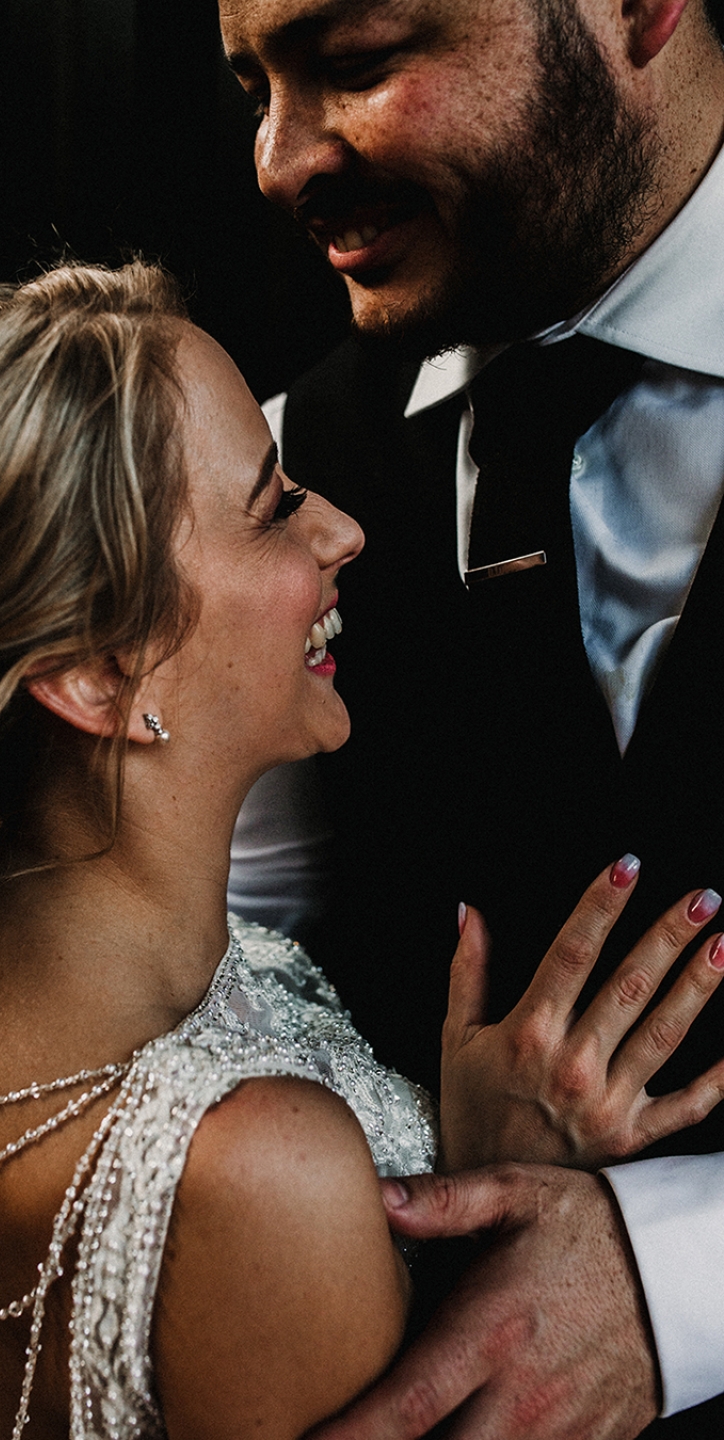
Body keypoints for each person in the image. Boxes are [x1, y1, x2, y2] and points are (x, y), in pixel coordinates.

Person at [0, 261, 724, 1440]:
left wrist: (468, 1158)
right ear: (91, 672)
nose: (343, 528)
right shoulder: (266, 1173)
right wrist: (480, 1214)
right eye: (274, 506)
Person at [210, 0, 724, 1437]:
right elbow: (223, 962)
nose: (278, 157)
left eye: (359, 61)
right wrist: (50, 1189)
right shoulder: (278, 478)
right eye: (256, 84)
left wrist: (678, 1274)